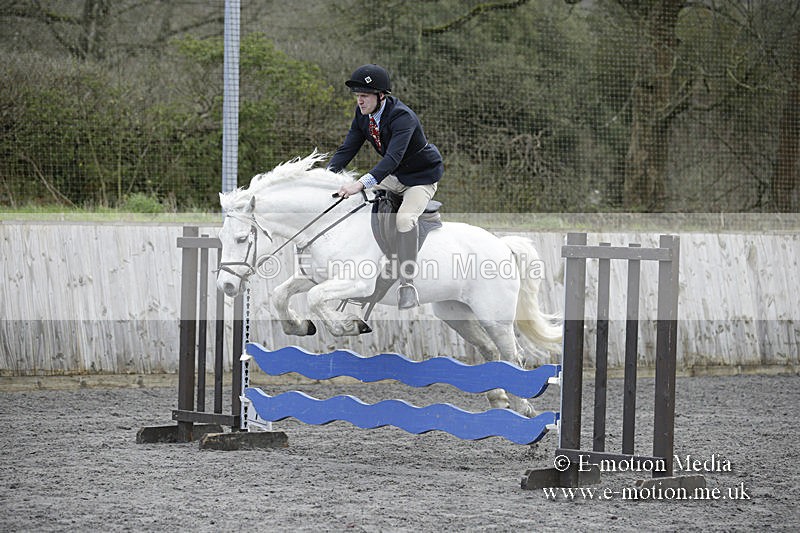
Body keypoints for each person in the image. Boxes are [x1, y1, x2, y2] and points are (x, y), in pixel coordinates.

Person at [328, 64, 443, 310]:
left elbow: (392, 159)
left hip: (420, 178)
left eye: (365, 95)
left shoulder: (403, 117)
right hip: (395, 175)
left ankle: (407, 283)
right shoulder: (363, 116)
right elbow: (347, 149)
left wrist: (360, 183)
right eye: (358, 95)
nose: (359, 100)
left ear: (381, 96)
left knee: (404, 220)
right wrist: (326, 178)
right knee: (355, 202)